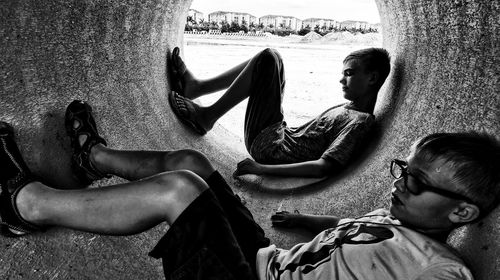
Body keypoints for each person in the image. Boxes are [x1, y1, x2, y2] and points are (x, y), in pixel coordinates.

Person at [2, 100, 499, 279]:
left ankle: (23, 206)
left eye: (414, 182)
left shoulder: (440, 270)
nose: (398, 184)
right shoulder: (397, 218)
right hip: (262, 260)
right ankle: (93, 160)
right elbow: (355, 233)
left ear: (460, 214)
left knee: (178, 192)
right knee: (193, 163)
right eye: (401, 169)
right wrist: (305, 222)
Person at [168, 47, 391, 178]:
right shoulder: (349, 109)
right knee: (271, 62)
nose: (341, 79)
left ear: (372, 78)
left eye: (349, 73)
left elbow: (326, 166)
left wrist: (261, 169)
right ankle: (198, 87)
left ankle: (207, 117)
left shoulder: (361, 122)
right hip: (278, 136)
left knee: (269, 58)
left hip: (272, 148)